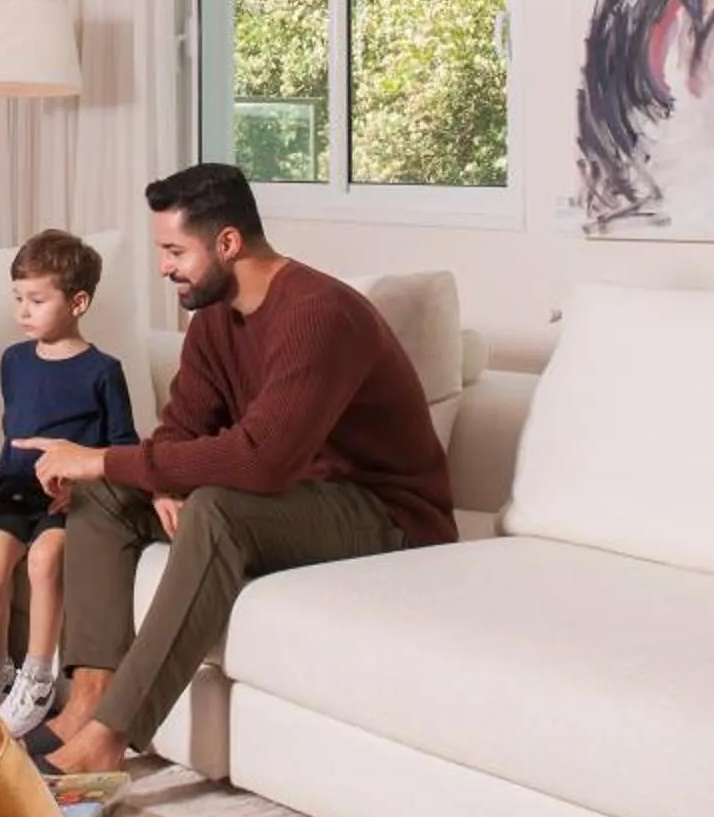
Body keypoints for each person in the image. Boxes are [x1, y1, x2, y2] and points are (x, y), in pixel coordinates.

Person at [23, 163, 451, 777]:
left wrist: (103, 457)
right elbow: (182, 429)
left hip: (385, 515)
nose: (163, 267)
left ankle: (109, 739)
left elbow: (262, 460)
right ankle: (85, 702)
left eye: (174, 251)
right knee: (106, 493)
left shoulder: (319, 313)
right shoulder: (214, 320)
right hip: (300, 500)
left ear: (227, 243)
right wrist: (155, 477)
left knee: (213, 509)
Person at [0, 230, 137, 737]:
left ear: (78, 302)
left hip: (68, 500)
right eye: (18, 298)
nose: (23, 311)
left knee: (46, 561)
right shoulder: (13, 361)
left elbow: (123, 447)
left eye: (37, 300)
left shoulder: (103, 371)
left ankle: (39, 676)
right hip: (14, 493)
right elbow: (13, 432)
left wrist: (81, 485)